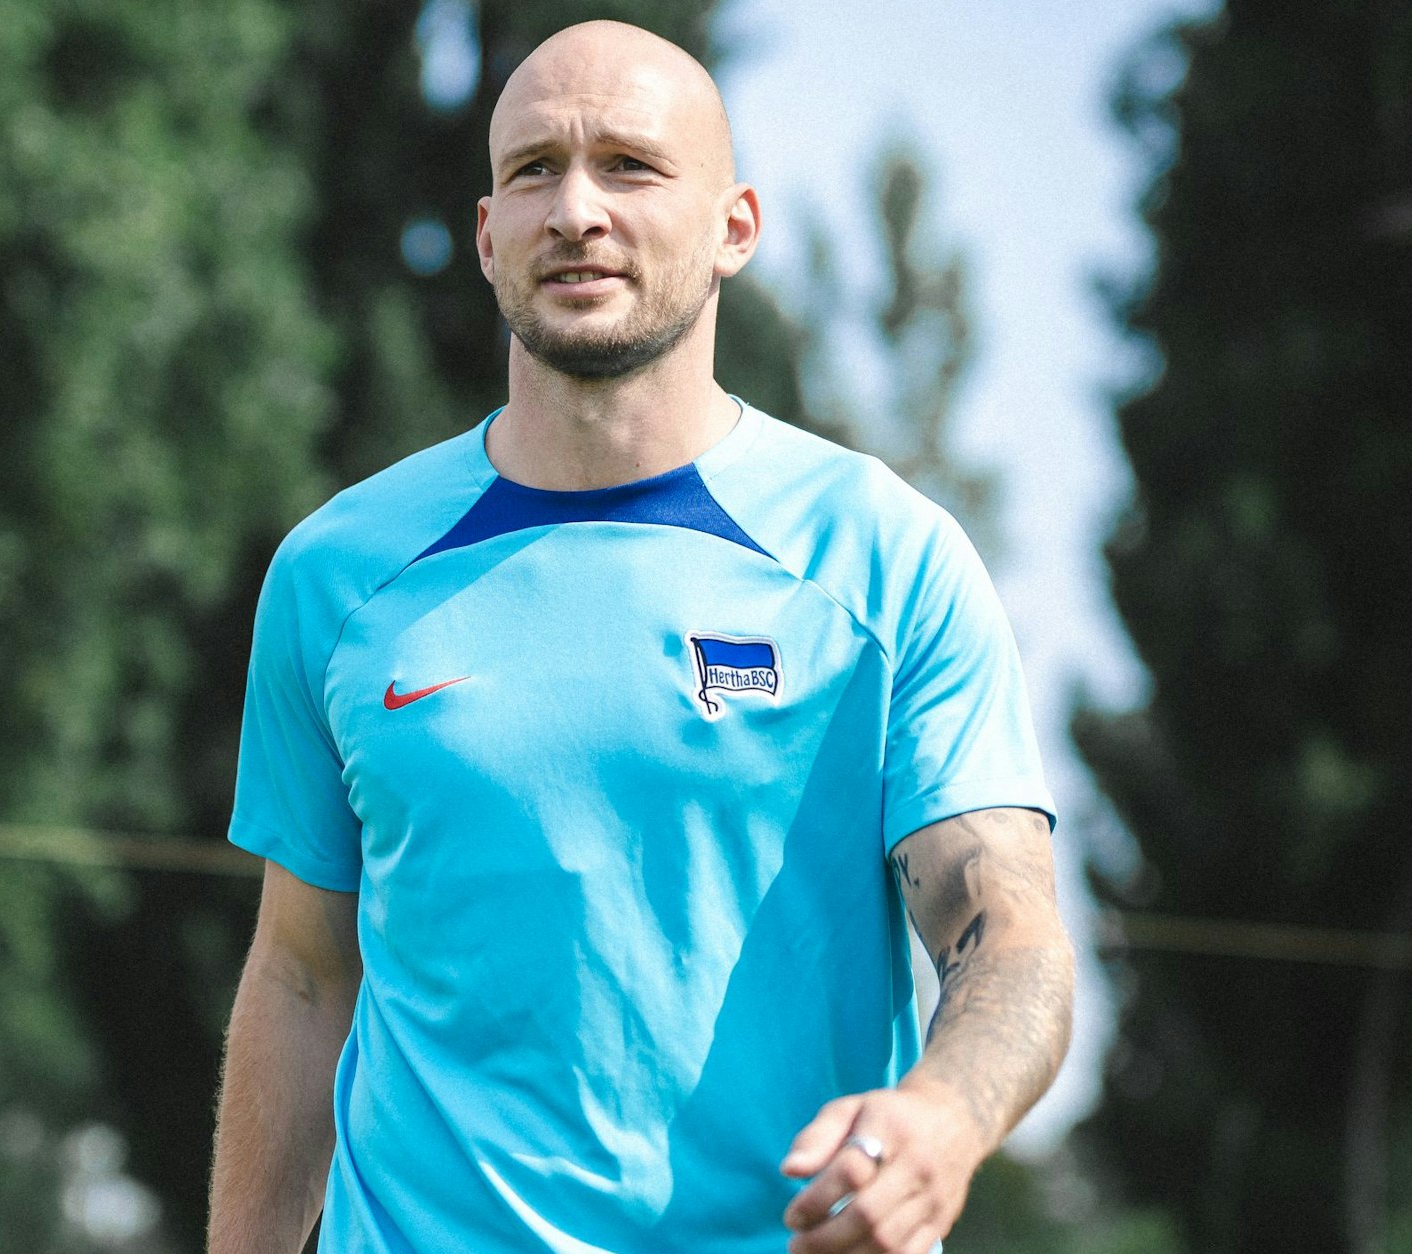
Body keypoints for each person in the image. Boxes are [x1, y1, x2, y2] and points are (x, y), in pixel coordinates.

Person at [207, 19, 1074, 1254]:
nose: (574, 209)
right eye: (531, 172)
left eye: (627, 165)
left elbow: (1009, 931)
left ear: (734, 226)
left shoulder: (884, 559)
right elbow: (299, 978)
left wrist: (940, 1117)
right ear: (484, 235)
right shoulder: (336, 575)